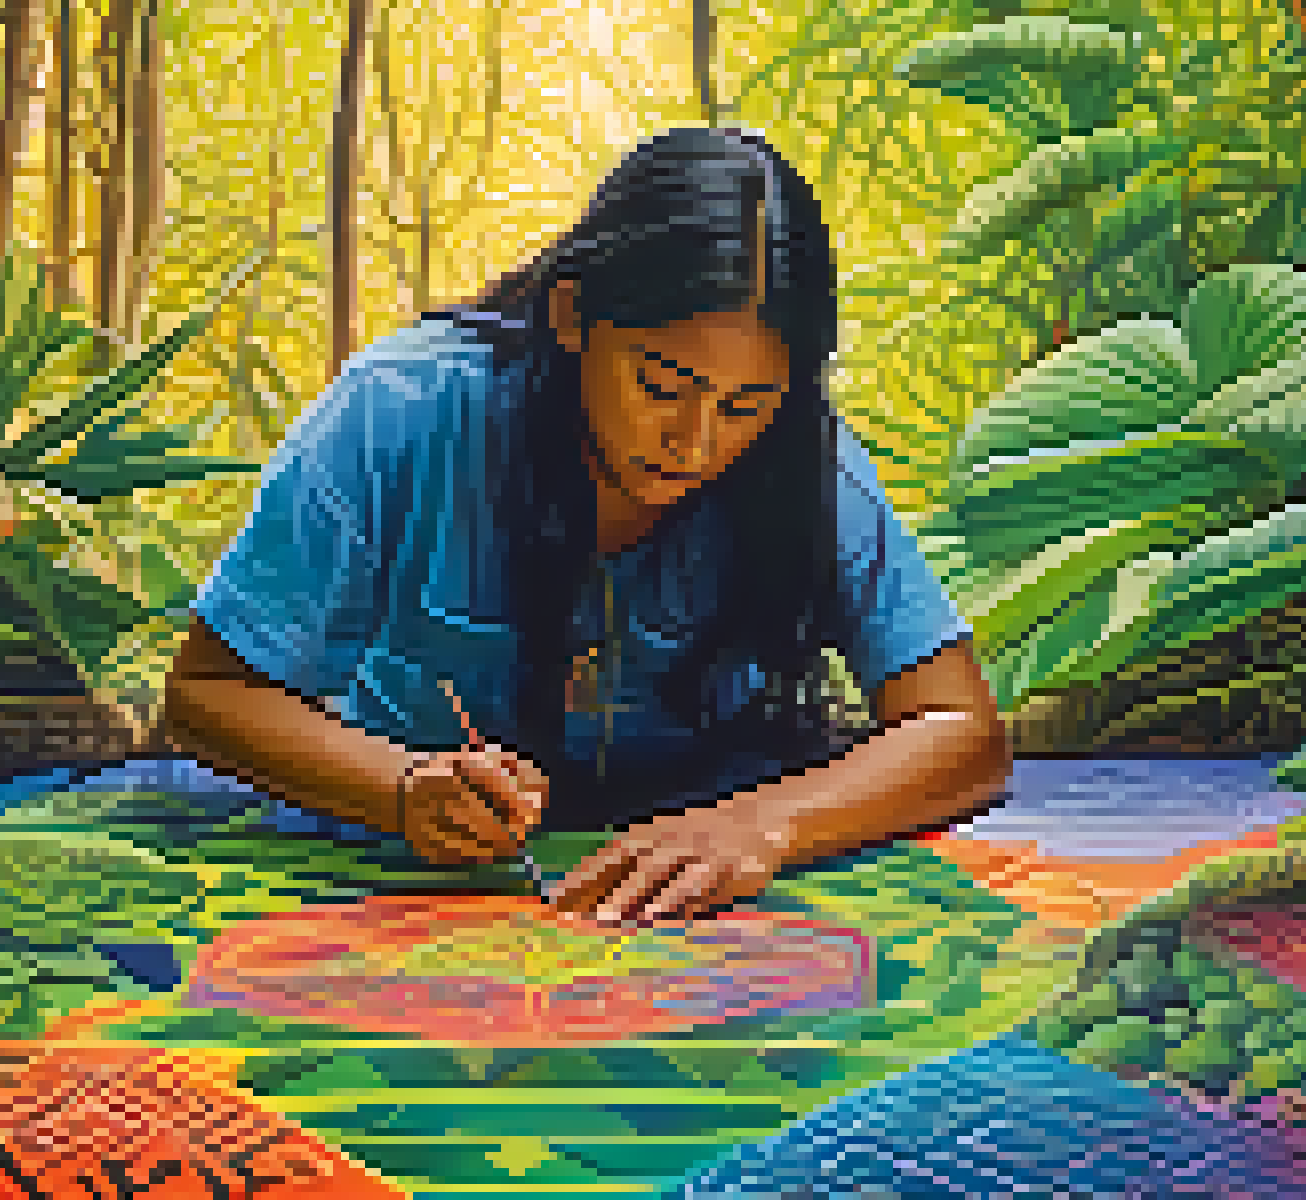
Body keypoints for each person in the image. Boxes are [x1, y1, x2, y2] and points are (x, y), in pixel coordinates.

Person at [160, 126, 1012, 928]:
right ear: (571, 317)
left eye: (747, 404)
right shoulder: (399, 414)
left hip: (701, 900)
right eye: (662, 387)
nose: (699, 441)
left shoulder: (803, 466)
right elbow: (208, 696)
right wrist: (402, 785)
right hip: (416, 880)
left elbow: (959, 730)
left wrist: (761, 827)